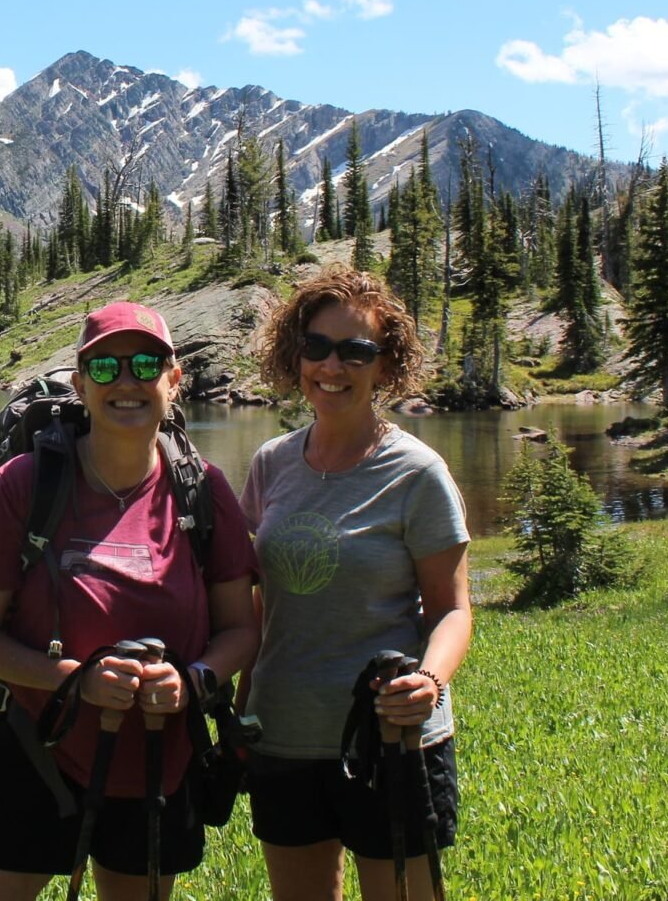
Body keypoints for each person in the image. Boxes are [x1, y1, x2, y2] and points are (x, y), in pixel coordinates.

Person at [0, 301, 260, 901]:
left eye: (146, 364)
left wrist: (195, 680)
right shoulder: (23, 484)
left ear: (174, 380)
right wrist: (73, 681)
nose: (127, 381)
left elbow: (240, 630)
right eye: (106, 366)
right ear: (81, 383)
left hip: (157, 761)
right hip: (30, 751)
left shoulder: (203, 489)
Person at [240, 266, 472, 901]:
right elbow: (257, 608)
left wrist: (429, 680)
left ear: (385, 365)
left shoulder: (418, 473)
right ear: (296, 355)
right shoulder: (271, 464)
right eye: (315, 347)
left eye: (355, 351)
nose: (331, 367)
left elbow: (452, 609)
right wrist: (240, 714)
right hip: (283, 733)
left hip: (391, 734)